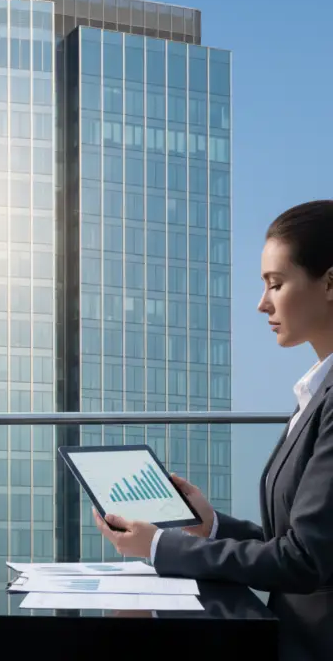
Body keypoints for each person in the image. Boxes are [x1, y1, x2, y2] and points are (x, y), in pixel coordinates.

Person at [93, 200, 333, 661]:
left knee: (135, 612)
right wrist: (212, 525)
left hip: (311, 642)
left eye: (276, 284)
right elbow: (308, 541)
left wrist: (163, 545)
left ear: (330, 282)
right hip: (291, 625)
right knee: (132, 607)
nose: (262, 303)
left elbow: (304, 561)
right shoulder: (315, 393)